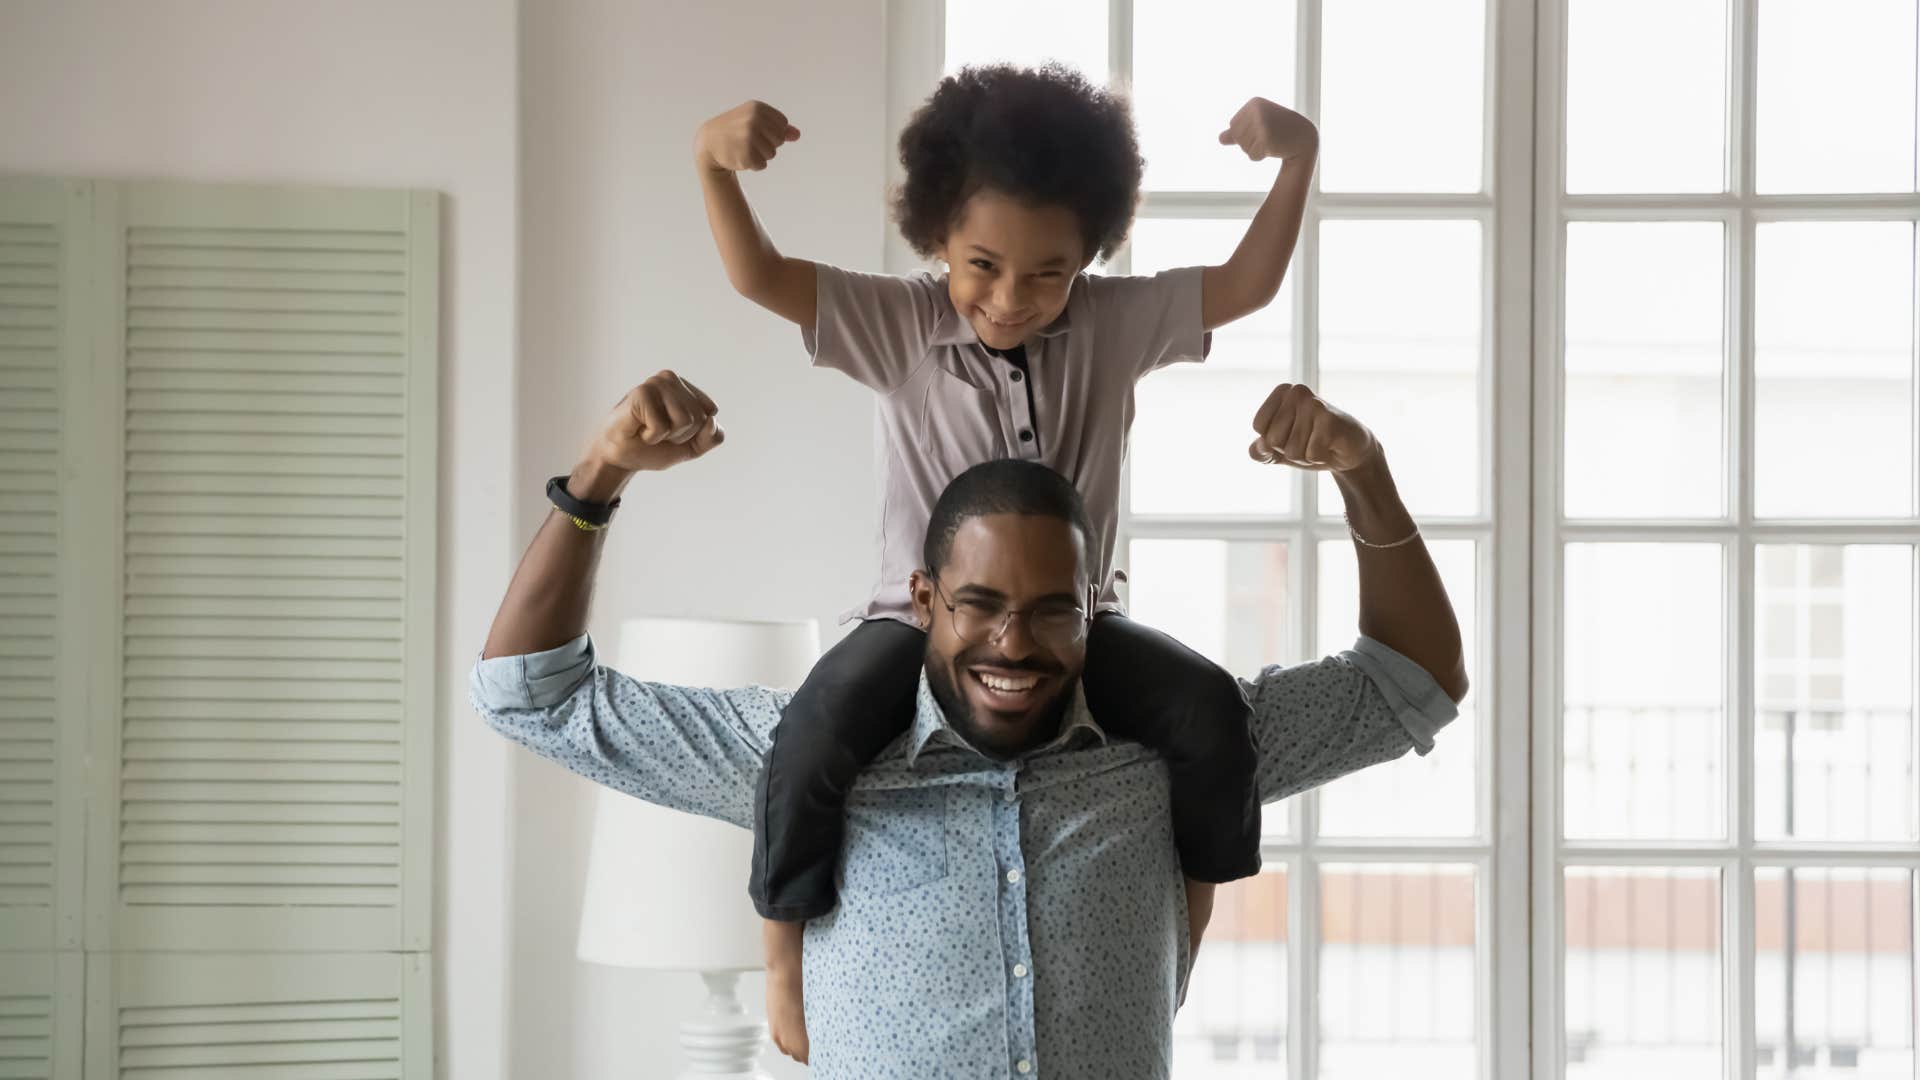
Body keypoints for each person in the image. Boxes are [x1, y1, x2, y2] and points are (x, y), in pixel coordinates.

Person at [472, 369, 1469, 1077]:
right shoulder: (810, 753)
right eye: (980, 604)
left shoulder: (1177, 750)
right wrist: (601, 475)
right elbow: (532, 695)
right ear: (921, 599)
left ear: (1096, 610)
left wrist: (1363, 467)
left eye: (1051, 611)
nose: (1013, 644)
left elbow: (1414, 681)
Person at [692, 62, 1322, 1051]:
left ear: (1088, 257)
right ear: (937, 234)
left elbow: (1245, 285)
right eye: (982, 264)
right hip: (919, 628)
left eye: (1048, 273)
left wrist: (1297, 163)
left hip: (1082, 629)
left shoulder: (1115, 327)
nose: (1012, 297)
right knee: (809, 736)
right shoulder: (898, 326)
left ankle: (1183, 940)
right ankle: (781, 960)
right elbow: (760, 276)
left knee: (1210, 714)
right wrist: (713, 168)